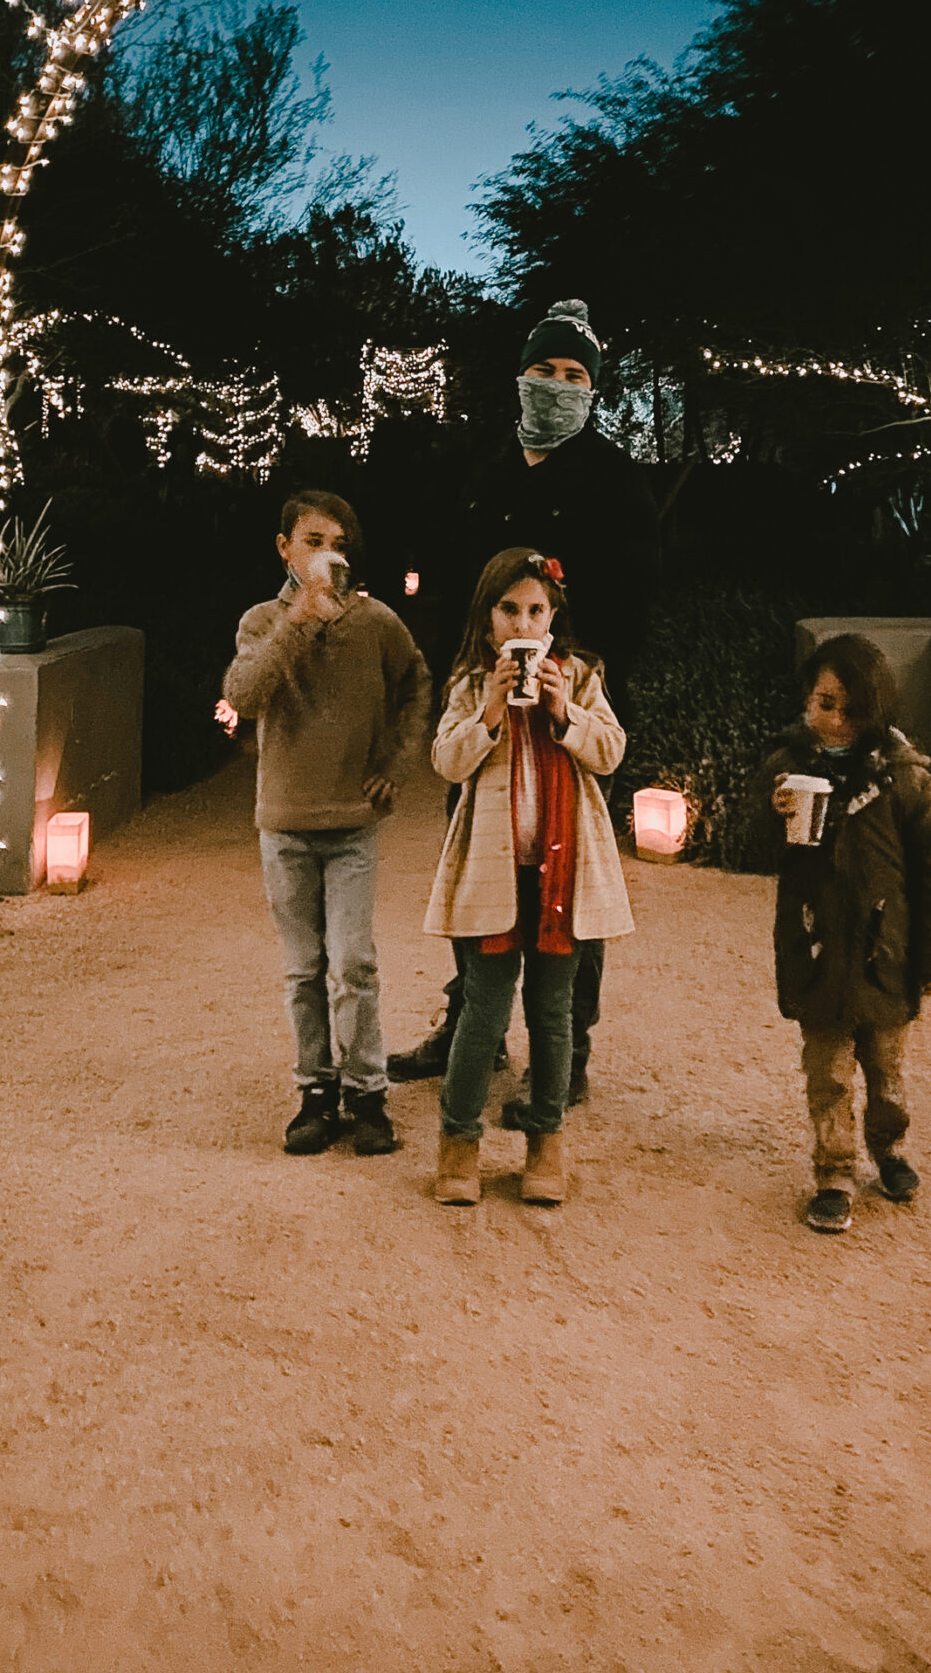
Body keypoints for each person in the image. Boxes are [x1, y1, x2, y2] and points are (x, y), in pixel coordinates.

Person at [389, 298, 658, 1103]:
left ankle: (566, 1047)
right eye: (545, 370)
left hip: (567, 705)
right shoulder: (483, 468)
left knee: (568, 875)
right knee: (478, 862)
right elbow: (443, 579)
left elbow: (638, 604)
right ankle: (469, 1019)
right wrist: (465, 688)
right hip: (485, 703)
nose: (557, 385)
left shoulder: (616, 483)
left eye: (575, 375)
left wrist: (574, 688)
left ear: (593, 390)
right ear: (521, 376)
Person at [223, 489, 430, 1159]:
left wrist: (395, 762)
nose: (326, 553)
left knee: (355, 963)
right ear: (284, 549)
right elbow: (243, 694)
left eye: (337, 542)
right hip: (284, 821)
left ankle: (367, 1094)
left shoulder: (375, 622)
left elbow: (416, 682)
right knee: (303, 968)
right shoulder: (260, 621)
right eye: (312, 540)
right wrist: (298, 622)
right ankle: (315, 1090)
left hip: (351, 824)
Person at [425, 549, 633, 1207]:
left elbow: (611, 751)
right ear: (488, 621)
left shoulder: (582, 676)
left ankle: (546, 1140)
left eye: (535, 610)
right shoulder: (469, 683)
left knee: (552, 1014)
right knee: (481, 1014)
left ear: (552, 619)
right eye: (509, 609)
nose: (523, 621)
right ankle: (458, 1142)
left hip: (560, 875)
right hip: (492, 875)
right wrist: (488, 711)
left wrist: (565, 712)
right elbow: (446, 763)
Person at [754, 632, 931, 1234]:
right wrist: (774, 816)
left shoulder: (903, 777)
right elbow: (760, 850)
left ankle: (889, 1148)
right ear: (806, 700)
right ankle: (834, 1172)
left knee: (888, 1070)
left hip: (885, 954)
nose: (837, 721)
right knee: (828, 1076)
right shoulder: (786, 768)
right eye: (825, 703)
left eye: (851, 708)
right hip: (816, 952)